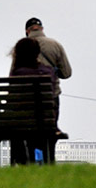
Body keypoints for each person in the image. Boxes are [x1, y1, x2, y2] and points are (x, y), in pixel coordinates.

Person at [24, 17, 72, 161]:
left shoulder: (21, 47)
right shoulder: (55, 45)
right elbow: (66, 73)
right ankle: (50, 160)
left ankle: (31, 162)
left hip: (27, 103)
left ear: (27, 31)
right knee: (49, 130)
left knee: (30, 134)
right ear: (42, 29)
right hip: (51, 101)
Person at [8, 38, 58, 165]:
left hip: (23, 123)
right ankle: (41, 162)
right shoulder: (48, 72)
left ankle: (22, 162)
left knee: (15, 129)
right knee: (36, 136)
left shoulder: (18, 73)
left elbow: (12, 100)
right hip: (46, 122)